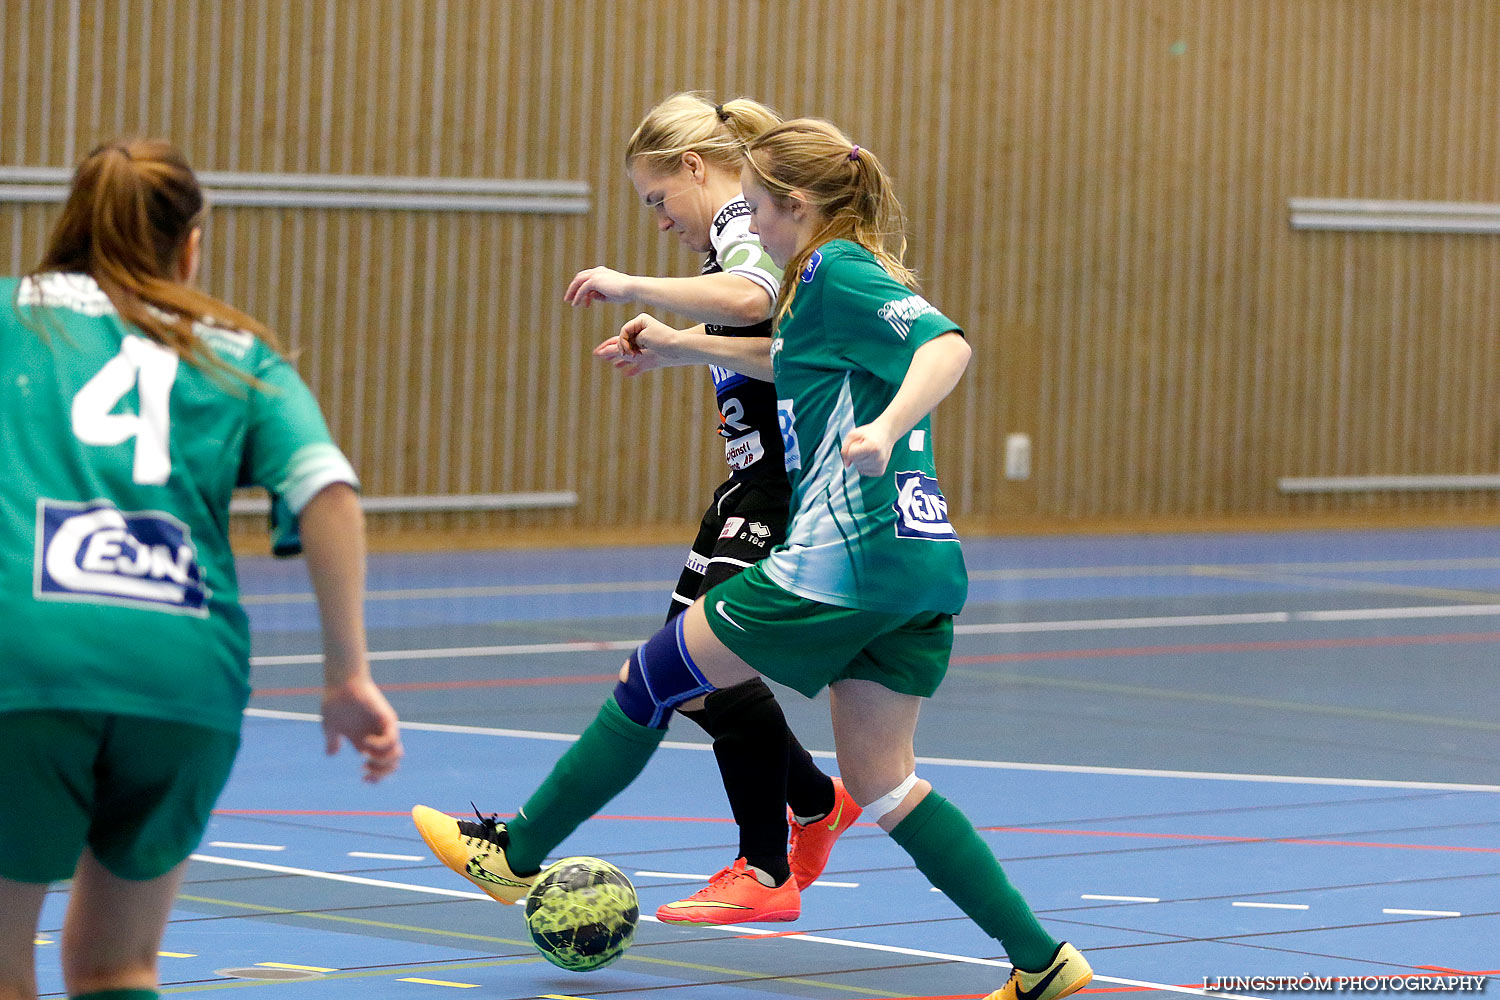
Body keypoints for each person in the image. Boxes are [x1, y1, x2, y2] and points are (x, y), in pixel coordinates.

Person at [413, 117, 1092, 1000]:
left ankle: (514, 855)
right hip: (919, 562)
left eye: (758, 210)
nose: (751, 229)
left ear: (795, 207)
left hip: (848, 553)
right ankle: (1043, 962)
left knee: (654, 675)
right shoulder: (819, 280)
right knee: (884, 784)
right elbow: (791, 358)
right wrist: (680, 346)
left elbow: (946, 344)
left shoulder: (839, 268)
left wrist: (885, 427)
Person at [0, 139, 403, 1000]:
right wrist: (348, 675)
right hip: (184, 674)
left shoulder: (8, 318)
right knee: (117, 967)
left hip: (25, 658)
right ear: (188, 247)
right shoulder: (238, 351)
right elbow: (328, 490)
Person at [569, 91, 859, 924]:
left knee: (695, 668)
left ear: (697, 167)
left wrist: (630, 289)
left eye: (659, 199)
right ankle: (813, 800)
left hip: (781, 483)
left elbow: (754, 303)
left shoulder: (740, 218)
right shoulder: (732, 232)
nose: (659, 220)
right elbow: (756, 340)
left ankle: (766, 867)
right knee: (689, 675)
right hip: (750, 481)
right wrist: (670, 349)